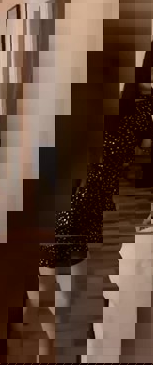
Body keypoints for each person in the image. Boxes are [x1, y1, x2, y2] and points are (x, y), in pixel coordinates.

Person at [36, 44, 153, 361]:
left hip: (97, 220)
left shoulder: (135, 110)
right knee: (63, 304)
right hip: (75, 216)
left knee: (75, 306)